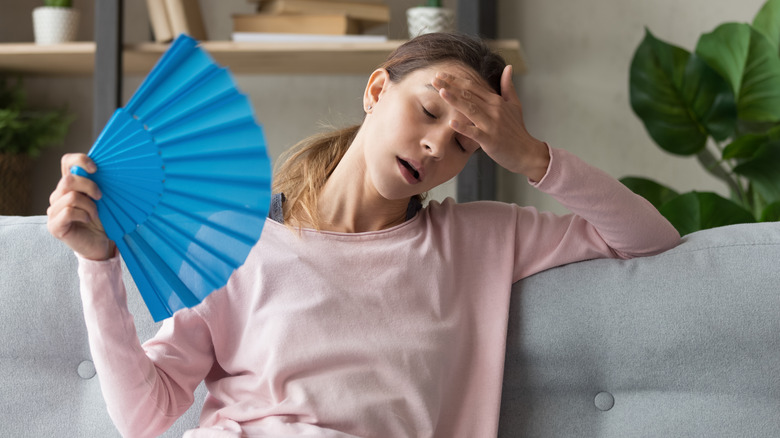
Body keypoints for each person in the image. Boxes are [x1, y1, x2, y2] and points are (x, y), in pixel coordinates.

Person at [47, 33, 680, 437]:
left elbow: (646, 236)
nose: (436, 144)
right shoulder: (239, 242)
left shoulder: (483, 240)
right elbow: (142, 416)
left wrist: (529, 154)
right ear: (377, 89)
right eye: (429, 112)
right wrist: (98, 265)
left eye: (466, 141)